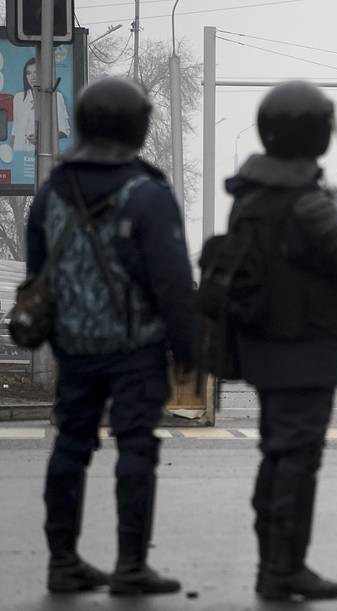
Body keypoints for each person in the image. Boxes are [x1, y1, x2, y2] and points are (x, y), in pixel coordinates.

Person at [25, 78, 193, 595]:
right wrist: (187, 347)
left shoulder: (52, 191)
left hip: (74, 347)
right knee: (136, 446)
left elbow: (38, 273)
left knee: (70, 445)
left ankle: (62, 562)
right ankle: (130, 566)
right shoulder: (147, 193)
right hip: (136, 348)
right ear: (135, 127)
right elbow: (172, 280)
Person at [226, 81, 337, 600]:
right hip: (306, 348)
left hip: (263, 346)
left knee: (277, 455)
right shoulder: (309, 204)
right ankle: (283, 569)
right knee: (297, 460)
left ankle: (274, 564)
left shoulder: (249, 196)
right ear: (314, 133)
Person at [12, 58, 71, 152]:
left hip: (42, 153)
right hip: (19, 153)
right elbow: (15, 132)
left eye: (36, 72)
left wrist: (41, 138)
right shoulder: (18, 98)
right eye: (29, 73)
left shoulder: (55, 96)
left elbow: (64, 131)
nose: (32, 77)